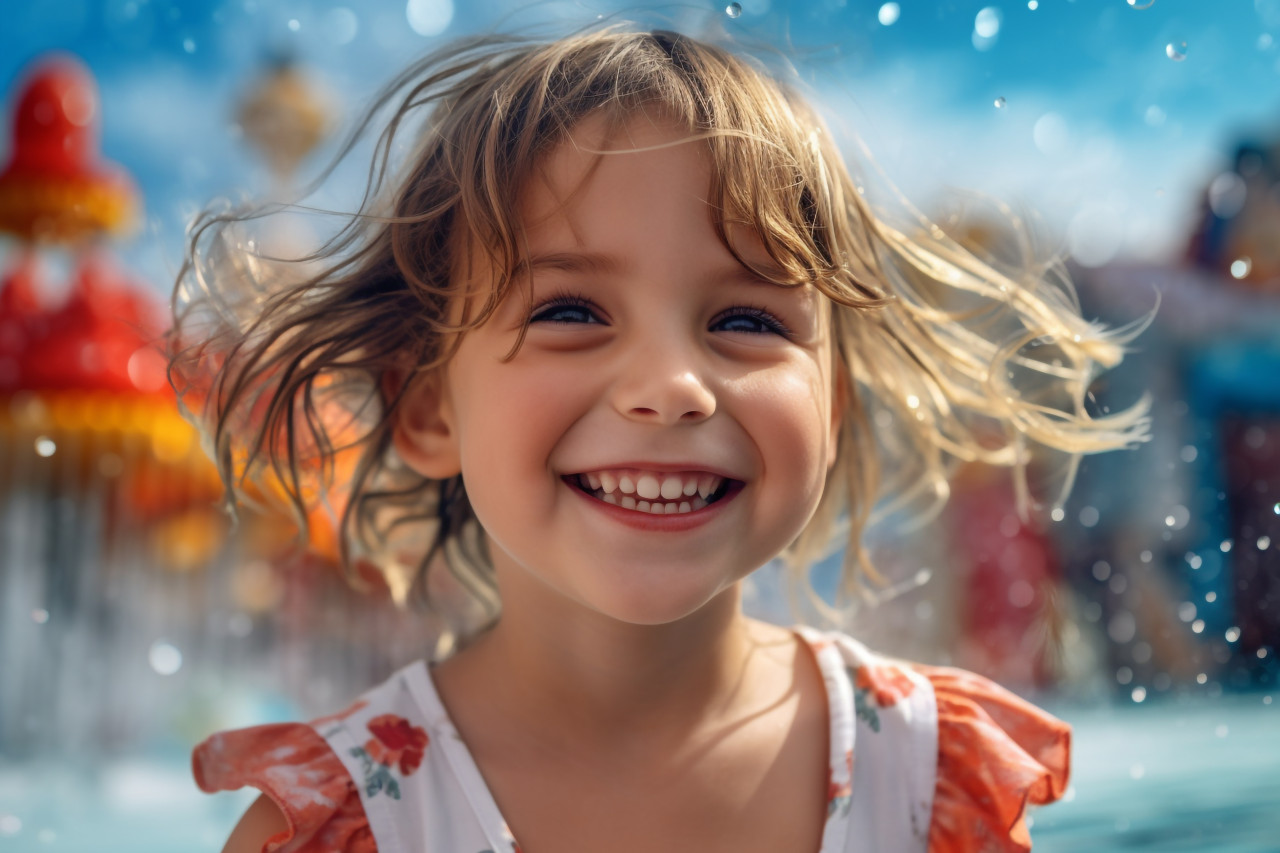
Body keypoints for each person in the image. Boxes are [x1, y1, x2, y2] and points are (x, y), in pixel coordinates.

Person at [173, 26, 1148, 853]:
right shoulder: (345, 822)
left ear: (832, 405)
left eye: (747, 322)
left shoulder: (927, 777)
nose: (670, 387)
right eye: (569, 308)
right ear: (429, 408)